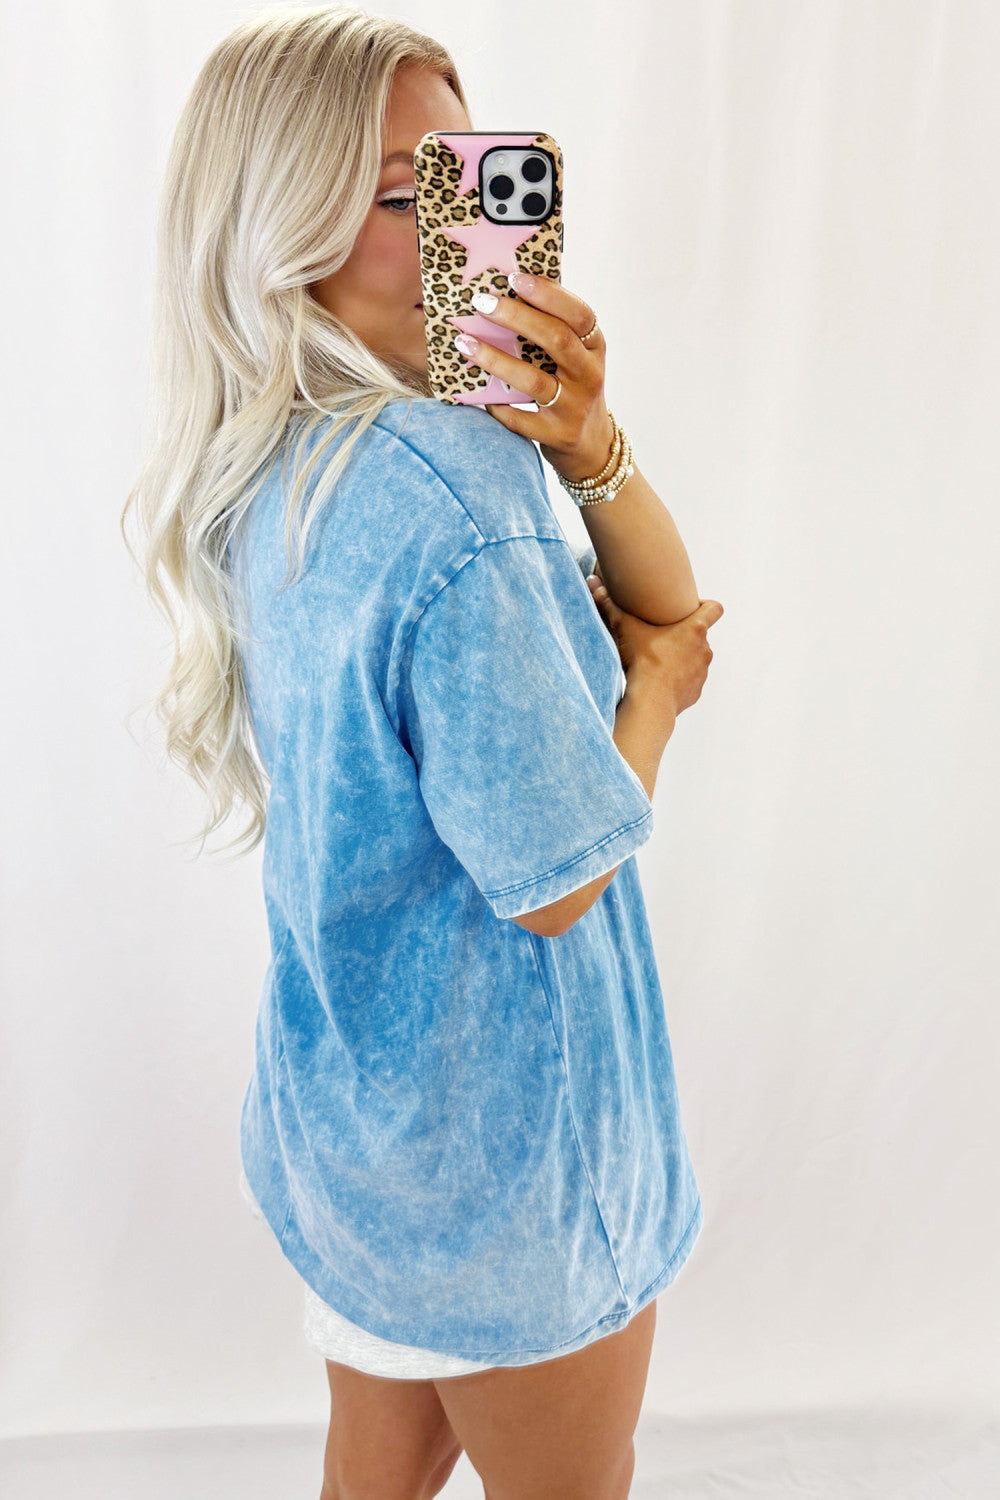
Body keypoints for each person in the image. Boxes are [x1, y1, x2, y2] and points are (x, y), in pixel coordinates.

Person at [121, 6, 724, 1498]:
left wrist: (584, 440)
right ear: (283, 224)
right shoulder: (456, 487)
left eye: (460, 179)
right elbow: (556, 884)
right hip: (507, 1165)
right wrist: (655, 696)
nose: (456, 228)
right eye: (402, 195)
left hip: (356, 1125)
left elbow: (658, 605)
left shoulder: (265, 465)